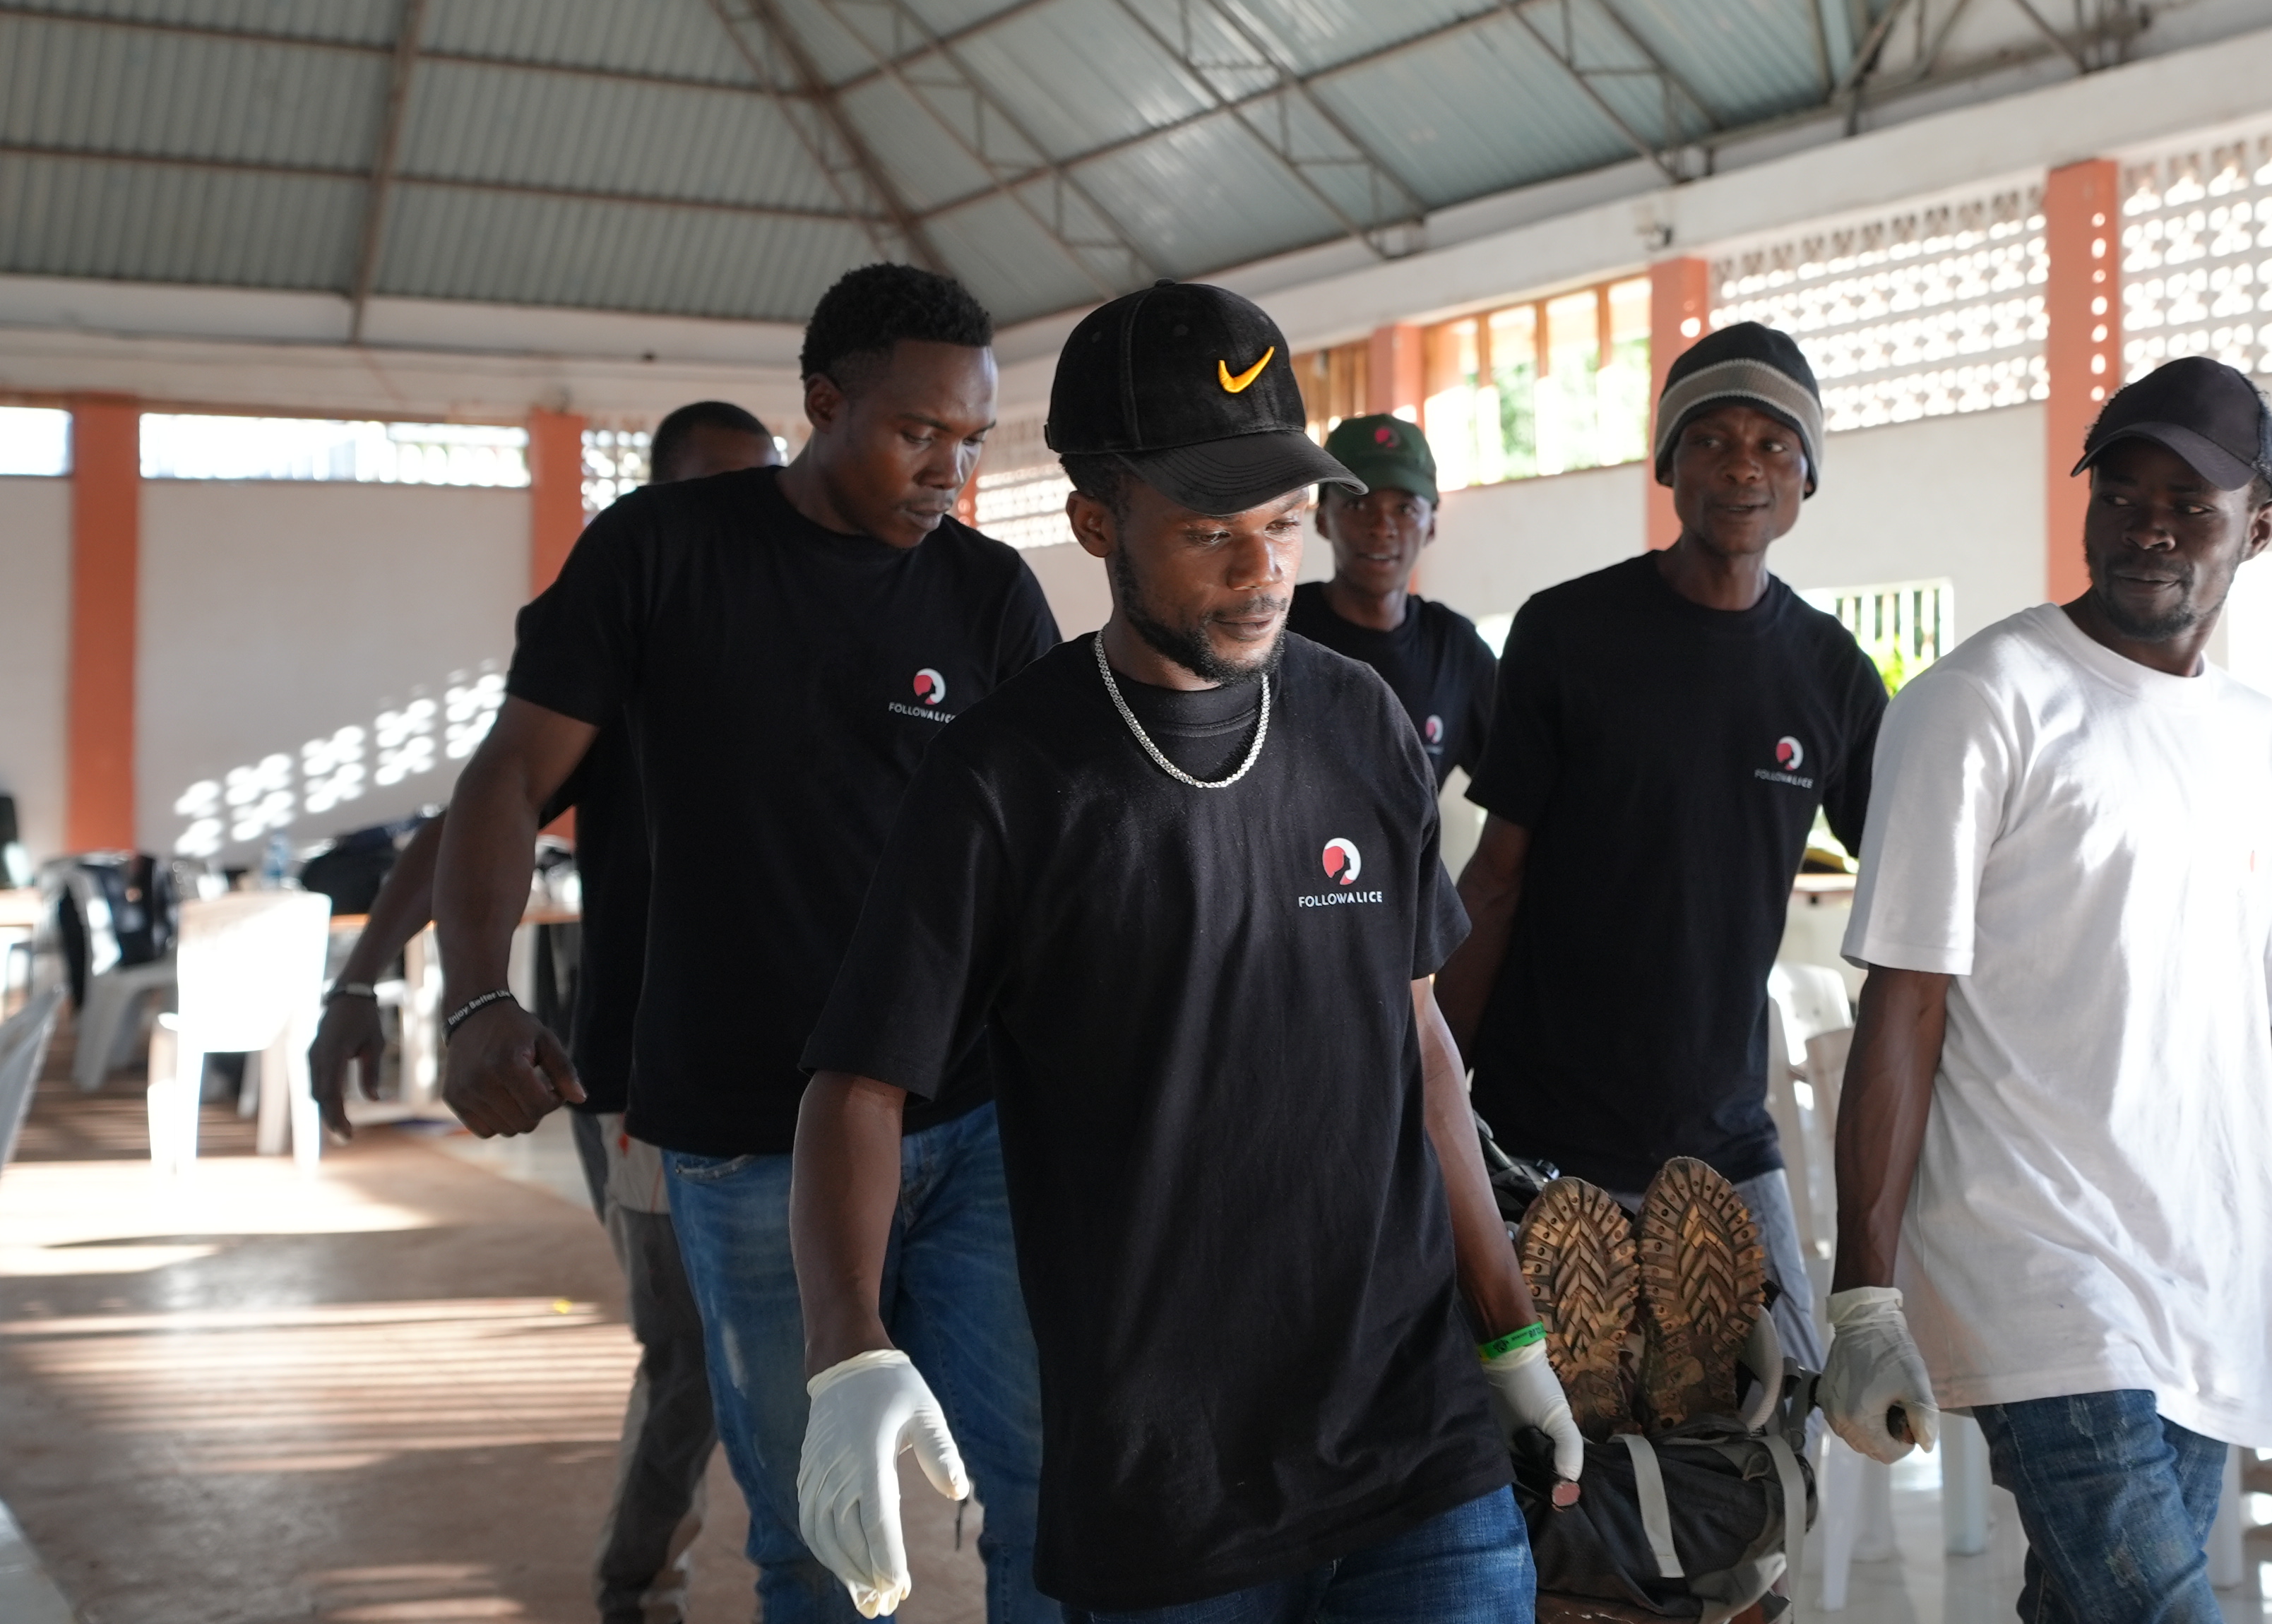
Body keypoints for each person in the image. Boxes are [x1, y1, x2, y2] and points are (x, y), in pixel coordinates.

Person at [790, 280, 1580, 1623]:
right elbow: (856, 1084)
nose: (1264, 569)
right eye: (1214, 531)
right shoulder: (1006, 777)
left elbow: (1422, 1044)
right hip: (1170, 1488)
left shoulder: (1363, 723)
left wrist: (1508, 1331)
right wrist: (847, 1352)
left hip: (1416, 1445)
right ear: (1099, 521)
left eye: (1282, 523)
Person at [1818, 357, 2272, 1622]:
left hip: (2207, 1275)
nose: (2150, 526)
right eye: (2122, 493)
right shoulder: (1980, 702)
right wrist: (1866, 1290)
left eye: (2190, 501)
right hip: (2039, 1274)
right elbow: (1902, 1001)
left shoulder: (2258, 739)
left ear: (2262, 525)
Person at [427, 270, 1064, 1624]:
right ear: (823, 405)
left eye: (974, 440)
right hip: (746, 1132)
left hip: (965, 1124)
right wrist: (473, 991)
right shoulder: (661, 551)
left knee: (1036, 1488)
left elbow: (1061, 863)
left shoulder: (992, 595)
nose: (950, 470)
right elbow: (506, 776)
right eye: (916, 433)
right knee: (818, 1530)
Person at [309, 398, 777, 1624]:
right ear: (655, 498)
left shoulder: (802, 639)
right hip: (637, 1063)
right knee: (692, 1358)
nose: (742, 513)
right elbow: (479, 805)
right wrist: (370, 980)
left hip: (808, 1068)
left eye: (761, 486)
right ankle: (637, 1581)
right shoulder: (625, 642)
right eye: (714, 486)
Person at [1435, 322, 1890, 1376]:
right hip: (1540, 1132)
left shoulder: (1828, 674)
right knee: (1550, 1458)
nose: (1743, 466)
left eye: (1775, 445)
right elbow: (1496, 879)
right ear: (1669, 465)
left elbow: (1911, 885)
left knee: (1776, 1436)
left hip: (1724, 1137)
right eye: (1713, 439)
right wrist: (1429, 1086)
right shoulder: (1568, 633)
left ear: (1807, 476)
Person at [1285, 413, 1499, 789]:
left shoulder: (1454, 649)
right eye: (1357, 505)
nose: (1381, 528)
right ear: (1322, 521)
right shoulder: (1277, 632)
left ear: (1431, 525)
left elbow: (1520, 788)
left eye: (1404, 510)